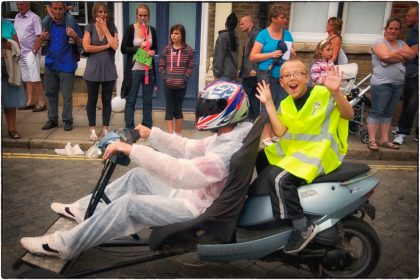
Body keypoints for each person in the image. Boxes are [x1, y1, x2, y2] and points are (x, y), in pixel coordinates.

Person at [20, 81, 252, 260]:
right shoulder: (228, 134)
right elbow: (189, 147)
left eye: (212, 107)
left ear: (231, 110)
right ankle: (82, 209)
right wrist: (153, 134)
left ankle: (66, 244)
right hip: (190, 195)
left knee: (129, 204)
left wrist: (133, 150)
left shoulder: (226, 152)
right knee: (137, 176)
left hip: (193, 209)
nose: (206, 110)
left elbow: (182, 173)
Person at [255, 59, 354, 253]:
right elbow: (280, 131)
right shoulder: (285, 103)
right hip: (299, 151)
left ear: (306, 78)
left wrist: (336, 92)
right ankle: (275, 206)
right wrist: (268, 105)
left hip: (321, 153)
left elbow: (348, 114)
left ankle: (301, 226)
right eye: (286, 76)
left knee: (278, 178)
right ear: (282, 83)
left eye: (296, 73)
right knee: (261, 158)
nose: (291, 78)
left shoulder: (323, 93)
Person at [250, 4, 296, 145]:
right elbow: (253, 56)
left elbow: (290, 56)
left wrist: (293, 54)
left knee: (281, 105)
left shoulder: (287, 34)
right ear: (273, 18)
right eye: (282, 17)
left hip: (283, 75)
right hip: (266, 74)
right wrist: (271, 54)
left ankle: (277, 134)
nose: (285, 20)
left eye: (285, 17)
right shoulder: (263, 34)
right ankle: (265, 136)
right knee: (266, 105)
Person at [367, 18, 415, 151]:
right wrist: (401, 54)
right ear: (386, 29)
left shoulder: (401, 42)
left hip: (398, 84)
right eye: (391, 28)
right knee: (377, 111)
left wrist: (395, 54)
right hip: (382, 84)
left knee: (388, 113)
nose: (393, 31)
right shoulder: (379, 42)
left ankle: (384, 140)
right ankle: (371, 140)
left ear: (400, 31)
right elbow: (385, 57)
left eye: (396, 29)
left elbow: (411, 55)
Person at [35, 1, 83, 132]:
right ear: (50, 9)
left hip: (67, 65)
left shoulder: (71, 23)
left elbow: (83, 42)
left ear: (64, 10)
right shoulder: (48, 24)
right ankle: (52, 119)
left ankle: (68, 120)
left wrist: (74, 36)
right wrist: (42, 39)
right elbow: (36, 45)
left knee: (67, 95)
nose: (57, 12)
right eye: (54, 9)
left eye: (60, 9)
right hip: (51, 64)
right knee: (50, 94)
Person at [82, 2, 118, 141]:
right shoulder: (89, 27)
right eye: (100, 12)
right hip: (93, 69)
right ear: (95, 13)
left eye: (104, 12)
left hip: (109, 68)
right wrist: (105, 46)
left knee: (107, 100)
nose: (102, 14)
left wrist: (105, 28)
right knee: (92, 100)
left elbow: (114, 45)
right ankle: (92, 129)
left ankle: (105, 128)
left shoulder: (111, 26)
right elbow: (86, 48)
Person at [121, 4, 158, 129]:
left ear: (149, 16)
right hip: (134, 70)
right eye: (140, 15)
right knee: (131, 100)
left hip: (149, 70)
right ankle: (129, 127)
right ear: (137, 15)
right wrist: (138, 47)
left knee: (148, 100)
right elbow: (123, 49)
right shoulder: (130, 29)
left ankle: (147, 126)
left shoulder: (152, 30)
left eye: (145, 15)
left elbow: (156, 48)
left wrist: (153, 51)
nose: (143, 17)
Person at [158, 24, 194, 135]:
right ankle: (170, 134)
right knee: (169, 109)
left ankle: (178, 134)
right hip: (168, 85)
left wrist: (185, 78)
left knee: (178, 109)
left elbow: (190, 66)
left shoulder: (188, 50)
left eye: (176, 33)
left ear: (182, 35)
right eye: (172, 33)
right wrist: (165, 77)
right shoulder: (166, 49)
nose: (173, 35)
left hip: (181, 85)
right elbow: (161, 65)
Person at [14, 2, 47, 112]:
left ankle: (42, 103)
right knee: (27, 78)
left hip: (31, 52)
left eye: (22, 4)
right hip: (21, 52)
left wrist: (34, 51)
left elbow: (39, 36)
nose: (19, 6)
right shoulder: (17, 17)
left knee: (35, 78)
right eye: (18, 4)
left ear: (28, 5)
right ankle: (30, 102)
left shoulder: (34, 18)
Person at [393, 6, 419, 145]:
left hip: (414, 70)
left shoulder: (417, 30)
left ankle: (402, 132)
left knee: (411, 102)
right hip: (412, 70)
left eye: (409, 15)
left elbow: (413, 51)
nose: (406, 18)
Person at [1, 16, 26, 139]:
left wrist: (8, 45)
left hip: (8, 70)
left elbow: (18, 48)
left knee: (10, 100)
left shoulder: (8, 25)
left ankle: (12, 129)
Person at [239, 14, 261, 122]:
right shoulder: (251, 34)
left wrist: (254, 68)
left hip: (252, 74)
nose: (241, 26)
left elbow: (258, 51)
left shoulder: (256, 33)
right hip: (247, 72)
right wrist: (241, 69)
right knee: (250, 98)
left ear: (249, 23)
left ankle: (253, 121)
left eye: (242, 24)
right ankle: (252, 121)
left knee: (252, 98)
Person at [213, 12, 239, 81]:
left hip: (223, 74)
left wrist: (216, 74)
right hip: (233, 73)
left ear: (226, 23)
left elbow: (219, 56)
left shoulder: (223, 36)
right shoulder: (236, 37)